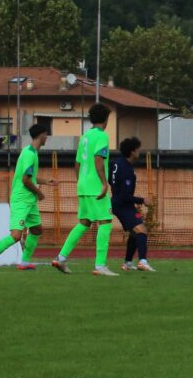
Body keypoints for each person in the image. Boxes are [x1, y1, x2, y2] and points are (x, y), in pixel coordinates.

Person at [52, 103, 117, 276]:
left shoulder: (85, 136)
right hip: (96, 186)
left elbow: (77, 164)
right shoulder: (102, 136)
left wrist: (81, 181)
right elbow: (98, 160)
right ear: (105, 119)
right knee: (106, 221)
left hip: (83, 185)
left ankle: (61, 258)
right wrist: (104, 183)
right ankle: (100, 265)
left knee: (84, 223)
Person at [0, 124, 56, 270]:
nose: (47, 138)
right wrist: (40, 193)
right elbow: (25, 180)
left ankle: (24, 262)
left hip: (29, 200)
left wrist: (46, 181)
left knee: (37, 230)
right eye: (46, 135)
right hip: (21, 199)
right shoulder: (29, 154)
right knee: (15, 236)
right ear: (41, 135)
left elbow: (30, 177)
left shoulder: (31, 151)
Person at [109, 137, 156, 272]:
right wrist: (142, 201)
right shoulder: (127, 170)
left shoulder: (115, 163)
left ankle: (128, 263)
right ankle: (142, 261)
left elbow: (110, 179)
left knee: (135, 233)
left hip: (119, 202)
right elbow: (125, 195)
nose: (139, 151)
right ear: (133, 151)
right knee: (142, 231)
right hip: (123, 204)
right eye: (138, 149)